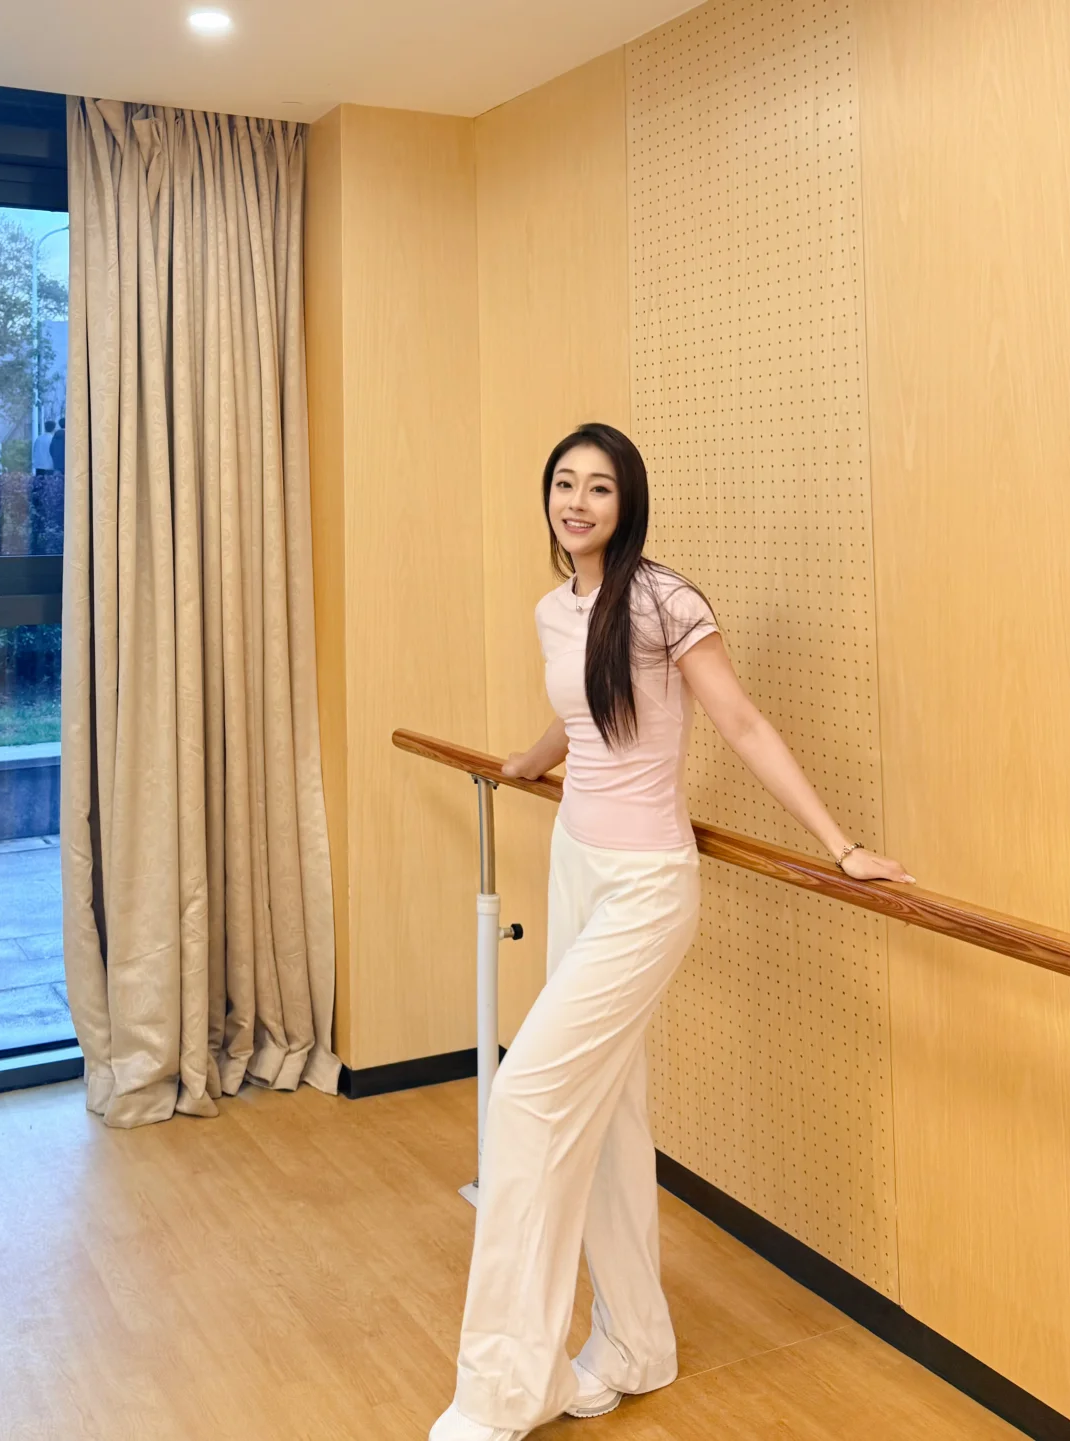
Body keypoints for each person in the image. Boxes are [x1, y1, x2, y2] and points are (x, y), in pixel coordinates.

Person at [430, 422, 916, 1441]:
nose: (577, 502)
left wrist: (841, 847)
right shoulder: (554, 609)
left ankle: (505, 1389)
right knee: (606, 1108)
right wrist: (528, 760)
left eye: (599, 488)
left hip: (648, 886)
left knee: (527, 1097)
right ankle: (636, 1345)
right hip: (575, 861)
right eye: (564, 483)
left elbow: (741, 722)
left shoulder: (664, 600)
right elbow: (584, 714)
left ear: (628, 503)